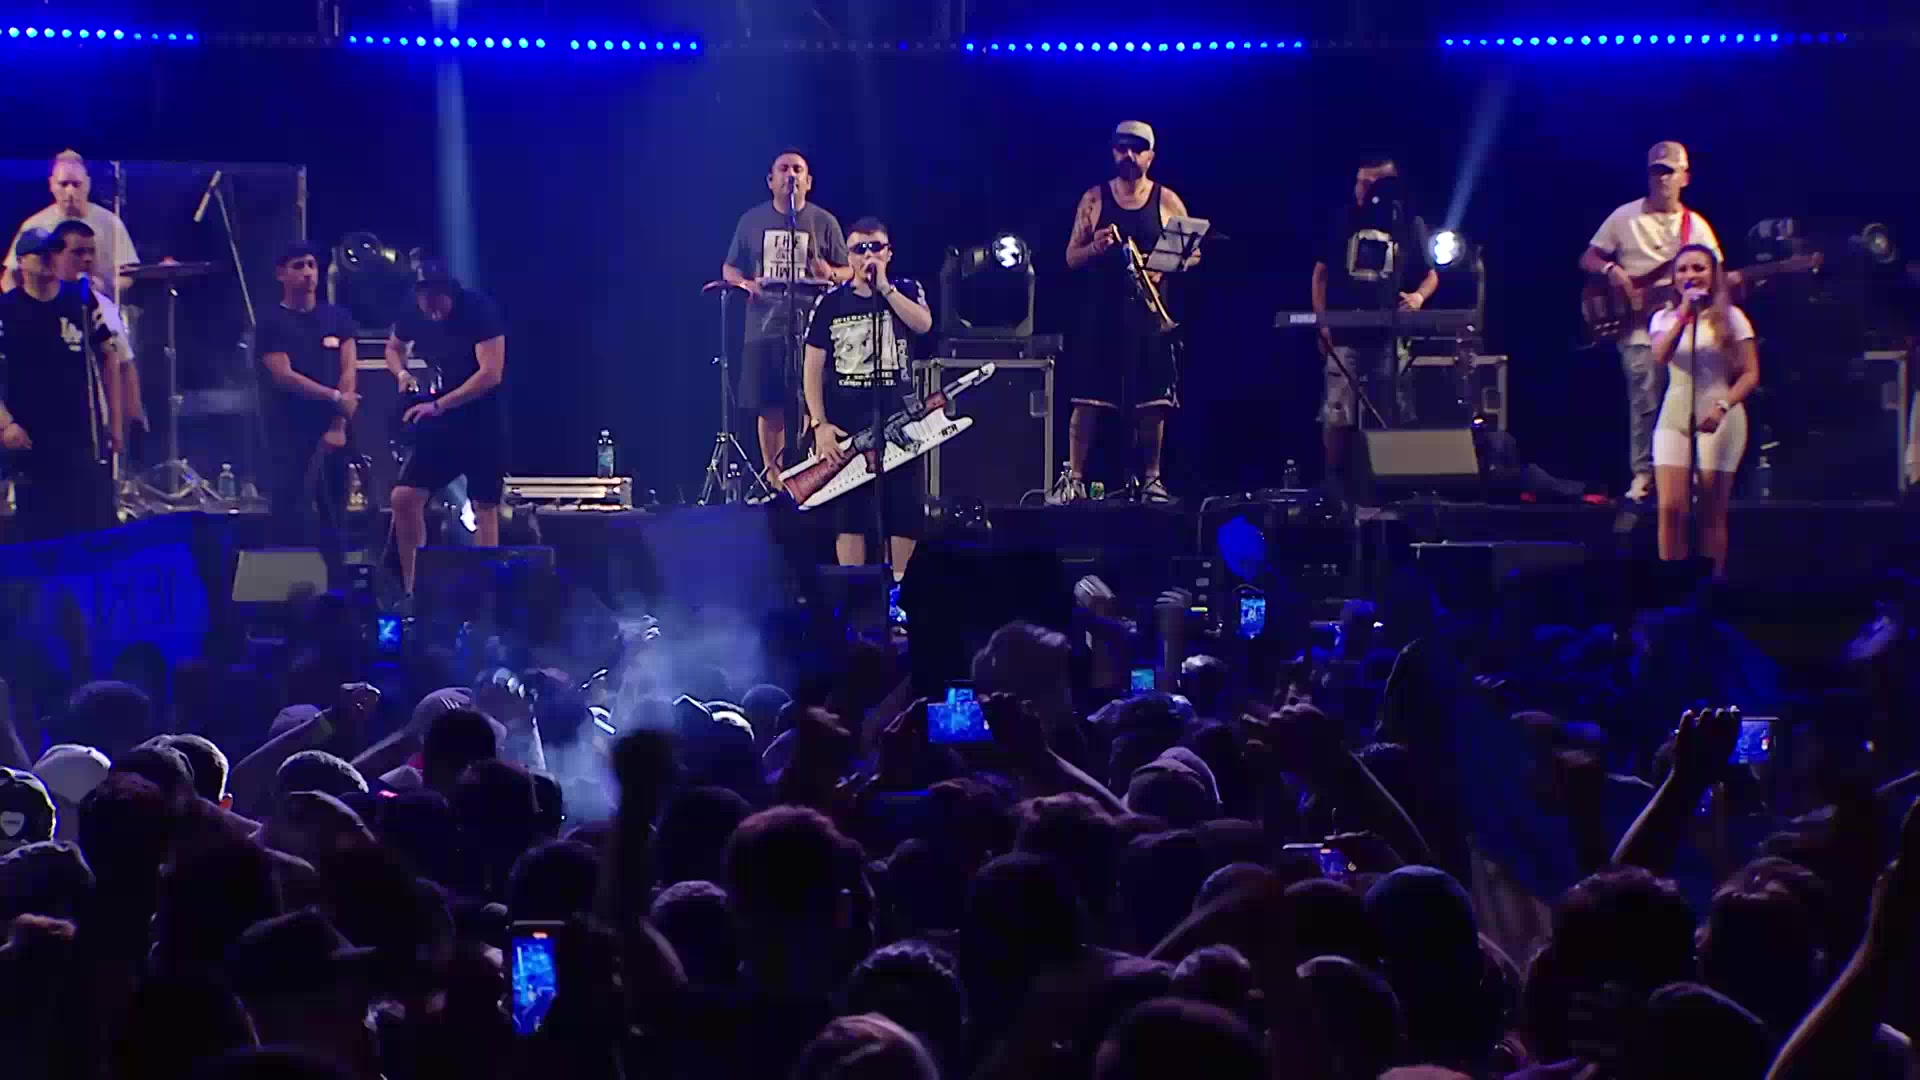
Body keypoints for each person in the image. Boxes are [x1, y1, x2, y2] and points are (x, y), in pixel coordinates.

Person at [1053, 121, 1199, 505]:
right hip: (1100, 315)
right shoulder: (1094, 198)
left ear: (1151, 156)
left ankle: (1152, 479)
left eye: (1137, 149)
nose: (1129, 155)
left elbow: (1195, 253)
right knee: (1087, 400)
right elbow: (1070, 257)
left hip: (1149, 316)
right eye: (1122, 148)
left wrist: (1163, 265)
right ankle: (1075, 479)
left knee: (1153, 403)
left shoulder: (1167, 200)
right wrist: (1095, 247)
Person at [1579, 141, 1728, 503]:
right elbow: (1588, 258)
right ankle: (1643, 475)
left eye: (1669, 172)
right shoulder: (1624, 216)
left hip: (1683, 328)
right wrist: (1612, 271)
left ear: (1684, 177)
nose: (1662, 179)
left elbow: (1717, 274)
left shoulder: (1696, 226)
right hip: (1636, 328)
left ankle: (1686, 476)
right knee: (1645, 401)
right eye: (1656, 172)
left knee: (1687, 400)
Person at [801, 216, 933, 577]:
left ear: (889, 253)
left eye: (875, 247)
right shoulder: (830, 303)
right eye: (859, 249)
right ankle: (853, 595)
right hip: (848, 427)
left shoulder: (906, 290)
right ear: (849, 256)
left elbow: (923, 325)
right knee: (850, 517)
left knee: (903, 514)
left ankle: (899, 594)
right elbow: (811, 368)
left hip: (900, 422)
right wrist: (819, 424)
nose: (868, 255)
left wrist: (886, 289)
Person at [723, 148, 853, 490]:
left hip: (813, 329)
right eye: (784, 169)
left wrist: (829, 272)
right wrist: (745, 284)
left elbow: (848, 271)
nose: (790, 175)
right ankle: (774, 480)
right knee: (769, 406)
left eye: (798, 169)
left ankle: (810, 474)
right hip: (764, 326)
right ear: (771, 180)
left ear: (808, 181)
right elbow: (729, 267)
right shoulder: (751, 221)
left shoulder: (824, 221)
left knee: (809, 400)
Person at [1312, 155, 1438, 483]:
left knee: (1390, 410)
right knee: (1337, 412)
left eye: (1372, 184)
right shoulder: (1343, 219)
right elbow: (1320, 274)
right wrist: (1322, 323)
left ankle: (1391, 482)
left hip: (1388, 336)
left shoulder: (1407, 223)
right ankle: (1334, 484)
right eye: (1360, 182)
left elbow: (1431, 275)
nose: (1363, 190)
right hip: (1344, 334)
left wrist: (1417, 297)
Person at [385, 263, 507, 597]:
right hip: (442, 420)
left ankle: (486, 596)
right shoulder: (412, 311)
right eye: (427, 303)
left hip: (480, 418)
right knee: (404, 498)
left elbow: (491, 373)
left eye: (440, 302)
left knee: (484, 506)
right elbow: (393, 347)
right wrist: (402, 374)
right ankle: (414, 591)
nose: (434, 311)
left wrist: (439, 405)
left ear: (450, 293)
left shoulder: (478, 310)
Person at [0, 226, 124, 540]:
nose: (48, 259)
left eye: (53, 252)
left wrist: (115, 424)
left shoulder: (81, 302)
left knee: (89, 523)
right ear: (22, 261)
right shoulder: (7, 309)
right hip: (28, 435)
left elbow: (109, 358)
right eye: (40, 254)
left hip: (79, 434)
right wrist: (5, 423)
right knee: (38, 527)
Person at [1649, 244, 1758, 578]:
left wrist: (1723, 406)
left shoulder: (1733, 317)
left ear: (1713, 275)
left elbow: (1750, 374)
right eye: (1682, 269)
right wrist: (1684, 313)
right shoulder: (1664, 318)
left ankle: (1708, 589)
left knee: (1711, 510)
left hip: (1719, 414)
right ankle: (1671, 587)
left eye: (1699, 268)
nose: (1690, 275)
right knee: (1671, 510)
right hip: (1674, 414)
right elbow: (1660, 356)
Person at [255, 244, 361, 566]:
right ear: (281, 274)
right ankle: (286, 582)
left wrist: (339, 422)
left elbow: (349, 369)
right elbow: (283, 375)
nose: (307, 273)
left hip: (333, 429)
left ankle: (338, 580)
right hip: (287, 429)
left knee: (335, 512)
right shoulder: (271, 322)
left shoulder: (338, 318)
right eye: (299, 266)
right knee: (287, 508)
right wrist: (333, 397)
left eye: (312, 265)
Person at [35, 220, 145, 448]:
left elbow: (123, 362)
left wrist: (131, 417)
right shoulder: (31, 301)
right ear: (54, 256)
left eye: (91, 252)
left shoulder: (100, 305)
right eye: (78, 252)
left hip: (88, 422)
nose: (87, 259)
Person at [3, 150, 140, 300]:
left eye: (76, 184)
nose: (70, 191)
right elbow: (10, 275)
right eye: (63, 184)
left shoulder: (110, 222)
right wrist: (18, 305)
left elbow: (128, 274)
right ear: (51, 185)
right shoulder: (34, 224)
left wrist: (107, 287)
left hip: (98, 305)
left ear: (87, 184)